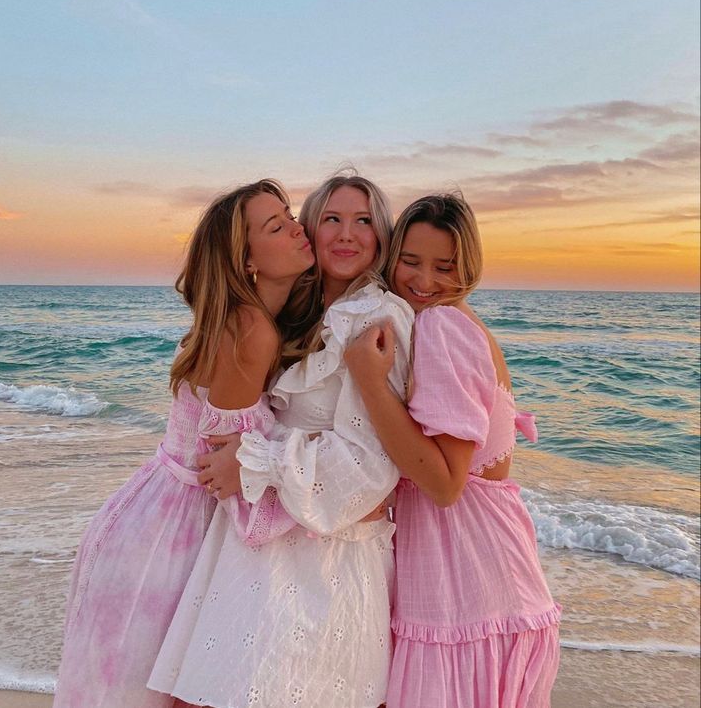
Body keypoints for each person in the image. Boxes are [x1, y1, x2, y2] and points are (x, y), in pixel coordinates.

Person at [148, 173, 414, 708]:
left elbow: (369, 466)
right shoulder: (297, 313)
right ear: (310, 229)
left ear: (382, 237)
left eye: (364, 221)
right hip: (257, 546)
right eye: (331, 219)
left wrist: (257, 463)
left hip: (328, 561)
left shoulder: (381, 319)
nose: (347, 234)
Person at [53, 179, 314, 708]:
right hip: (176, 536)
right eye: (275, 225)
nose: (297, 227)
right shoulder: (252, 332)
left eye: (289, 214)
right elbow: (229, 468)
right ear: (246, 261)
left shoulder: (245, 321)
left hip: (149, 516)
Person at [345, 193, 561, 708]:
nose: (424, 281)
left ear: (468, 267)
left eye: (445, 267)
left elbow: (444, 485)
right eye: (411, 262)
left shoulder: (442, 327)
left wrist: (371, 385)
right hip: (486, 573)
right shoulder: (462, 322)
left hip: (464, 581)